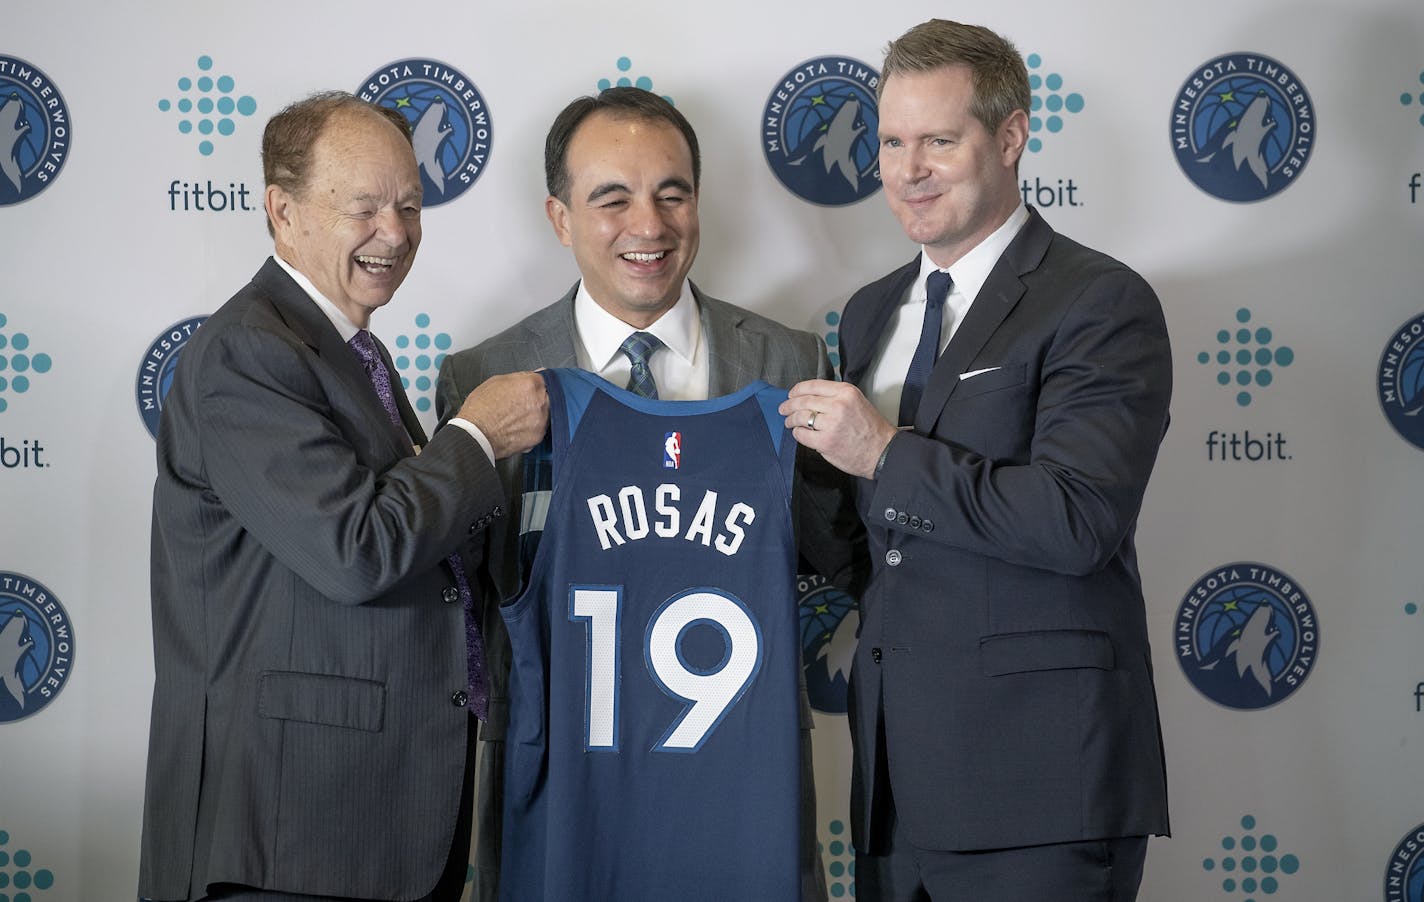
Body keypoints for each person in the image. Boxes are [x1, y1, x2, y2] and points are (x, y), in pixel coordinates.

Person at [779, 19, 1172, 902]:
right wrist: (799, 475)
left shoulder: (1100, 301)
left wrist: (882, 451)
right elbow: (874, 551)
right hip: (893, 794)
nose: (907, 169)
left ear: (1010, 136)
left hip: (1040, 789)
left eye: (938, 142)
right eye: (890, 143)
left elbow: (1078, 521)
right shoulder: (868, 312)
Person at [436, 86, 846, 901]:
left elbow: (837, 553)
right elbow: (465, 607)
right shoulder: (483, 377)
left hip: (740, 788)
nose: (649, 226)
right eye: (612, 198)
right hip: (564, 793)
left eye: (673, 194)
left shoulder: (788, 362)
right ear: (560, 218)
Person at [137, 91, 548, 902]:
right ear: (282, 213)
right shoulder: (248, 353)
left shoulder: (347, 350)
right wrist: (475, 437)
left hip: (370, 825)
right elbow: (355, 549)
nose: (394, 233)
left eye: (409, 206)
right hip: (287, 839)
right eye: (363, 207)